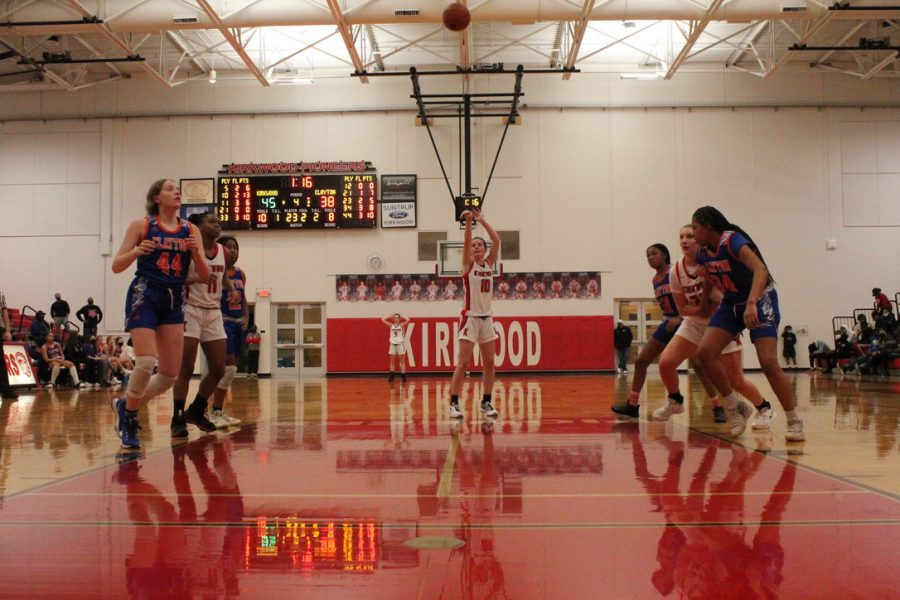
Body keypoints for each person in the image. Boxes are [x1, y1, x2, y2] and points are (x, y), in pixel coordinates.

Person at [690, 206, 804, 442]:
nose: (692, 233)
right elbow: (711, 277)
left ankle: (794, 420)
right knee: (704, 354)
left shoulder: (732, 241)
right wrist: (703, 306)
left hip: (760, 299)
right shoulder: (702, 252)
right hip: (731, 302)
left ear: (709, 226)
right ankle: (736, 407)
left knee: (768, 362)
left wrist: (752, 303)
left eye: (695, 227)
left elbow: (761, 270)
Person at [111, 178, 209, 449]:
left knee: (168, 375)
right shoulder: (142, 225)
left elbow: (204, 275)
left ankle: (125, 404)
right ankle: (130, 419)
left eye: (178, 189)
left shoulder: (190, 230)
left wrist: (196, 254)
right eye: (169, 188)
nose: (176, 192)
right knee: (144, 362)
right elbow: (117, 266)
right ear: (156, 197)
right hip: (145, 293)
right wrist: (136, 251)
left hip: (173, 298)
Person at [651, 225, 770, 427]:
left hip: (721, 325)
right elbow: (682, 308)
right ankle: (675, 401)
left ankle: (763, 407)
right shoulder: (676, 271)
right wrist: (699, 310)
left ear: (700, 239)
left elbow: (727, 297)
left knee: (736, 380)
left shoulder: (715, 264)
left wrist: (730, 322)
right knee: (666, 363)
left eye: (690, 236)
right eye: (681, 236)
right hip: (695, 325)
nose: (684, 240)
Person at [613, 243, 720, 420]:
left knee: (699, 365)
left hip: (686, 320)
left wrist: (680, 317)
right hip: (668, 322)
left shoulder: (675, 272)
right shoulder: (655, 279)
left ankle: (717, 406)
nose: (650, 258)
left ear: (664, 255)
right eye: (647, 256)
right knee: (641, 361)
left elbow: (688, 300)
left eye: (654, 254)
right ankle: (632, 405)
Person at [170, 212, 240, 437]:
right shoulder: (188, 250)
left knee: (219, 368)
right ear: (197, 227)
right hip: (190, 309)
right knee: (187, 368)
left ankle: (196, 410)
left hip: (213, 311)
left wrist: (230, 290)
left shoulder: (224, 252)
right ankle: (177, 418)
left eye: (219, 221)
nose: (217, 224)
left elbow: (223, 276)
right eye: (211, 221)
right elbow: (176, 279)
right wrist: (198, 278)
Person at [448, 210, 501, 420]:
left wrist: (482, 220)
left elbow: (497, 239)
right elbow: (467, 239)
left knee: (489, 362)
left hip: (487, 318)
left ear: (485, 249)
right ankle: (453, 403)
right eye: (474, 245)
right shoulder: (467, 265)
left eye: (480, 245)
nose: (476, 246)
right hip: (470, 317)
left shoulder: (488, 264)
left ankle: (486, 402)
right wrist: (469, 222)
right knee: (463, 363)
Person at [211, 235, 246, 429]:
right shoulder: (217, 272)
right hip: (222, 321)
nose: (233, 251)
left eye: (236, 247)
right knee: (228, 366)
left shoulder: (240, 274)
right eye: (229, 247)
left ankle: (218, 410)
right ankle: (215, 409)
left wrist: (246, 317)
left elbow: (244, 297)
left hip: (237, 322)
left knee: (232, 368)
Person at [381, 313, 410, 383]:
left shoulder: (402, 325)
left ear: (399, 319)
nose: (396, 319)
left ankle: (403, 376)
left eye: (397, 317)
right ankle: (392, 376)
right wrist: (389, 316)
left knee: (402, 361)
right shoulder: (391, 325)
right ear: (393, 319)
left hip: (400, 344)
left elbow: (408, 319)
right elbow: (382, 319)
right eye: (395, 317)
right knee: (392, 361)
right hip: (392, 344)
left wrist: (402, 316)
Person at [0, 292, 19, 400]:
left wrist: (8, 330)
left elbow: (4, 311)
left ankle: (6, 390)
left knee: (0, 362)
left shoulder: (1, 293)